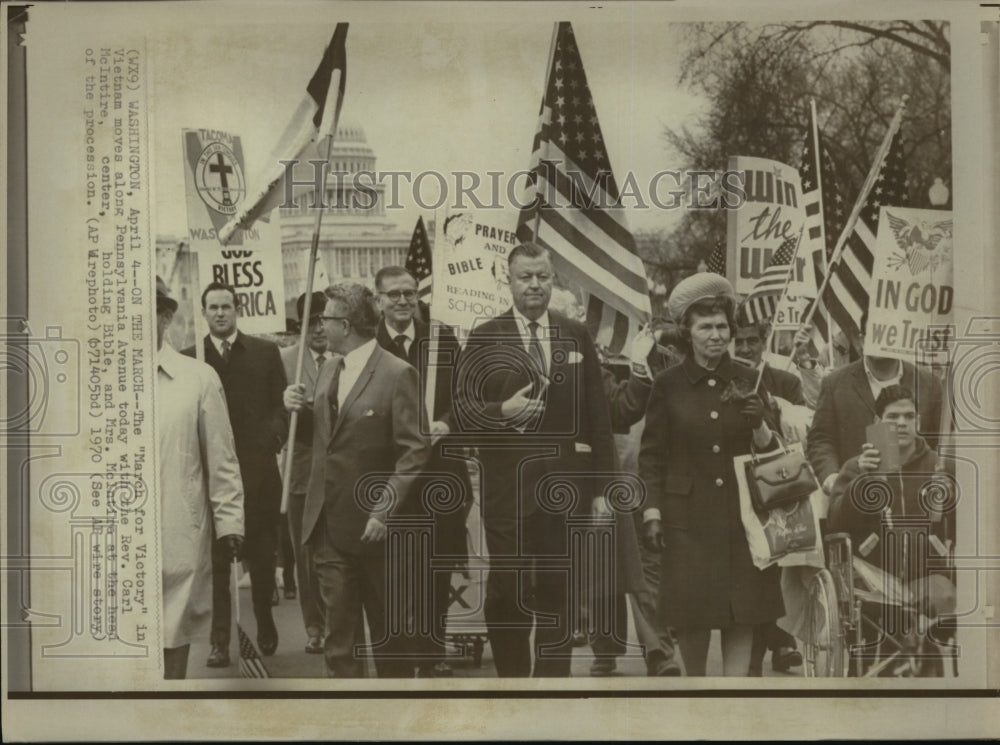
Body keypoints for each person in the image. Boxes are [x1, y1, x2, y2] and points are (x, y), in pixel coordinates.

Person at [454, 242, 616, 677]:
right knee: (507, 591)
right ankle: (512, 684)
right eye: (525, 277)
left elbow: (598, 417)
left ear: (553, 280)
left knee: (558, 592)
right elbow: (461, 411)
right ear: (508, 281)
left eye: (542, 276)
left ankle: (551, 688)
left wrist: (602, 489)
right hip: (507, 492)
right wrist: (501, 411)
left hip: (565, 490)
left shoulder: (575, 333)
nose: (534, 285)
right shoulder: (485, 336)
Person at [639, 272, 783, 676]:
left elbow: (775, 457)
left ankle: (732, 697)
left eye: (722, 326)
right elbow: (651, 457)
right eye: (706, 327)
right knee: (693, 615)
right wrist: (652, 513)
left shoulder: (749, 379)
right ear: (688, 333)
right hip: (687, 521)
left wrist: (759, 424)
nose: (716, 335)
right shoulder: (668, 384)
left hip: (743, 519)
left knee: (743, 612)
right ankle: (697, 691)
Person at [283, 283, 430, 677]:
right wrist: (297, 408)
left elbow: (414, 450)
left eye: (325, 319)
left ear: (345, 325)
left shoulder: (398, 373)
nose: (319, 326)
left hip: (376, 532)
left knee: (390, 641)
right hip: (328, 529)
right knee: (339, 642)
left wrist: (384, 510)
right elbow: (328, 437)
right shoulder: (329, 369)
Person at [373, 266, 473, 678]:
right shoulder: (370, 345)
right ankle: (400, 651)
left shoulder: (441, 339)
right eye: (393, 294)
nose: (402, 301)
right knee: (395, 569)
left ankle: (432, 651)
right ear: (378, 300)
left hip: (440, 474)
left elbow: (466, 397)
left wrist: (447, 422)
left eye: (409, 293)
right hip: (391, 473)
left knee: (436, 566)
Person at [184, 282, 288, 665]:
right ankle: (219, 640)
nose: (220, 313)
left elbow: (281, 406)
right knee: (216, 563)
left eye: (226, 306)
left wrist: (273, 437)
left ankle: (264, 621)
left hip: (258, 475)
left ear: (237, 309)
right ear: (203, 312)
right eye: (213, 307)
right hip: (211, 479)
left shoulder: (264, 352)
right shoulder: (190, 359)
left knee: (261, 558)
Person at [828, 385, 956, 675]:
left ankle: (929, 670)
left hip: (925, 577)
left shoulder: (939, 466)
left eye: (909, 416)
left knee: (947, 598)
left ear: (917, 421)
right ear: (877, 422)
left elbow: (966, 525)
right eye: (892, 417)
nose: (901, 423)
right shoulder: (857, 467)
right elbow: (836, 523)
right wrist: (862, 481)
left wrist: (951, 497)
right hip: (873, 582)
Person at [155, 277, 243, 679]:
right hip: (117, 533)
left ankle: (170, 700)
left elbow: (222, 458)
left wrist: (230, 524)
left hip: (179, 527)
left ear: (165, 317)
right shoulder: (99, 380)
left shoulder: (197, 377)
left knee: (173, 629)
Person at [806, 311, 943, 498]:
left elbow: (943, 439)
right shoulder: (835, 384)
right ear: (862, 340)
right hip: (856, 498)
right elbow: (821, 439)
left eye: (889, 333)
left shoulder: (928, 383)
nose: (882, 341)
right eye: (875, 333)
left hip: (916, 498)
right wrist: (832, 478)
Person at [733, 319, 805, 675]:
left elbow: (802, 432)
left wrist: (775, 410)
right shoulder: (726, 378)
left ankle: (773, 649)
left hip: (775, 486)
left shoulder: (786, 381)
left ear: (764, 341)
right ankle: (758, 657)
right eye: (739, 342)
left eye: (752, 341)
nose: (745, 349)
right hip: (734, 490)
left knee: (773, 573)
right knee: (748, 577)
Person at [279, 291, 331, 655]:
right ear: (300, 326)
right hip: (301, 471)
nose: (319, 329)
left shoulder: (346, 359)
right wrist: (287, 406)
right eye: (311, 322)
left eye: (324, 321)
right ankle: (315, 627)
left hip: (341, 471)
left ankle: (341, 622)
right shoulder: (285, 361)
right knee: (306, 554)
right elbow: (272, 415)